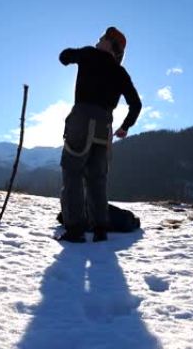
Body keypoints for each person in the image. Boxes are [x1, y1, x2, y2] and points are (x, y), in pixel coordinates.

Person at [57, 26, 142, 243]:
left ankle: (75, 230)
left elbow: (64, 57)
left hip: (82, 120)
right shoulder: (120, 72)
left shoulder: (89, 54)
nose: (98, 39)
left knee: (73, 172)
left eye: (102, 38)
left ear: (110, 45)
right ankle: (100, 229)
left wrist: (73, 55)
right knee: (97, 179)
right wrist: (125, 127)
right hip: (105, 127)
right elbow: (136, 104)